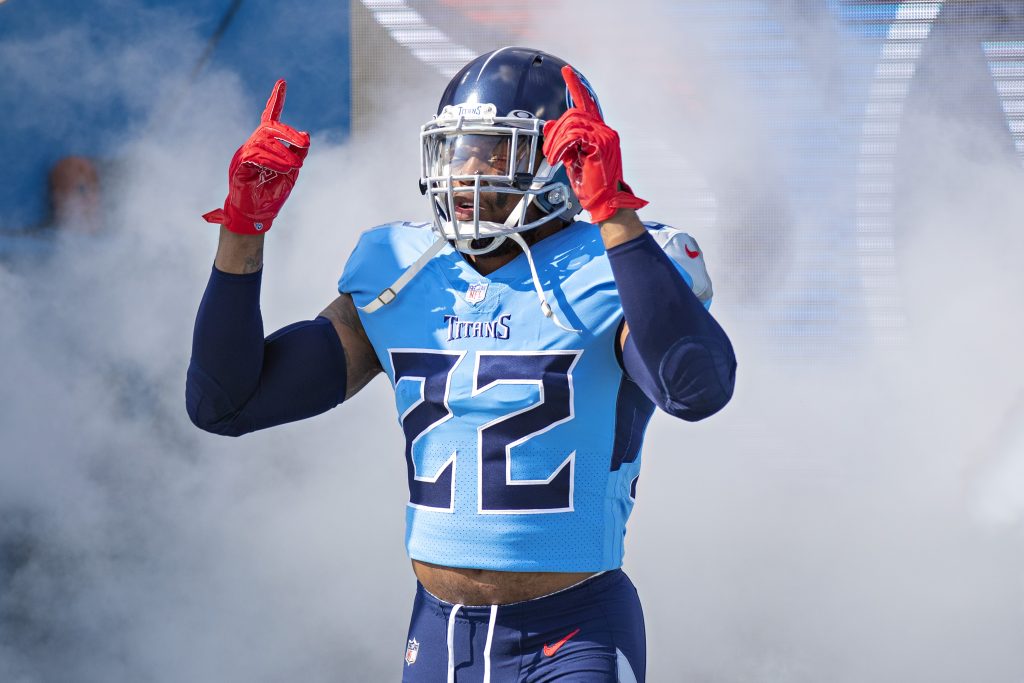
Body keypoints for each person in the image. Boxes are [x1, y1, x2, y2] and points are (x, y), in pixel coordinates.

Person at [187, 47, 736, 682]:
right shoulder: (404, 269)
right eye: (458, 149)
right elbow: (226, 403)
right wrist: (243, 232)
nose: (468, 169)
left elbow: (695, 389)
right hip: (439, 631)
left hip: (573, 628)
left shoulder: (620, 263)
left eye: (494, 149)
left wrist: (614, 213)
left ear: (559, 162)